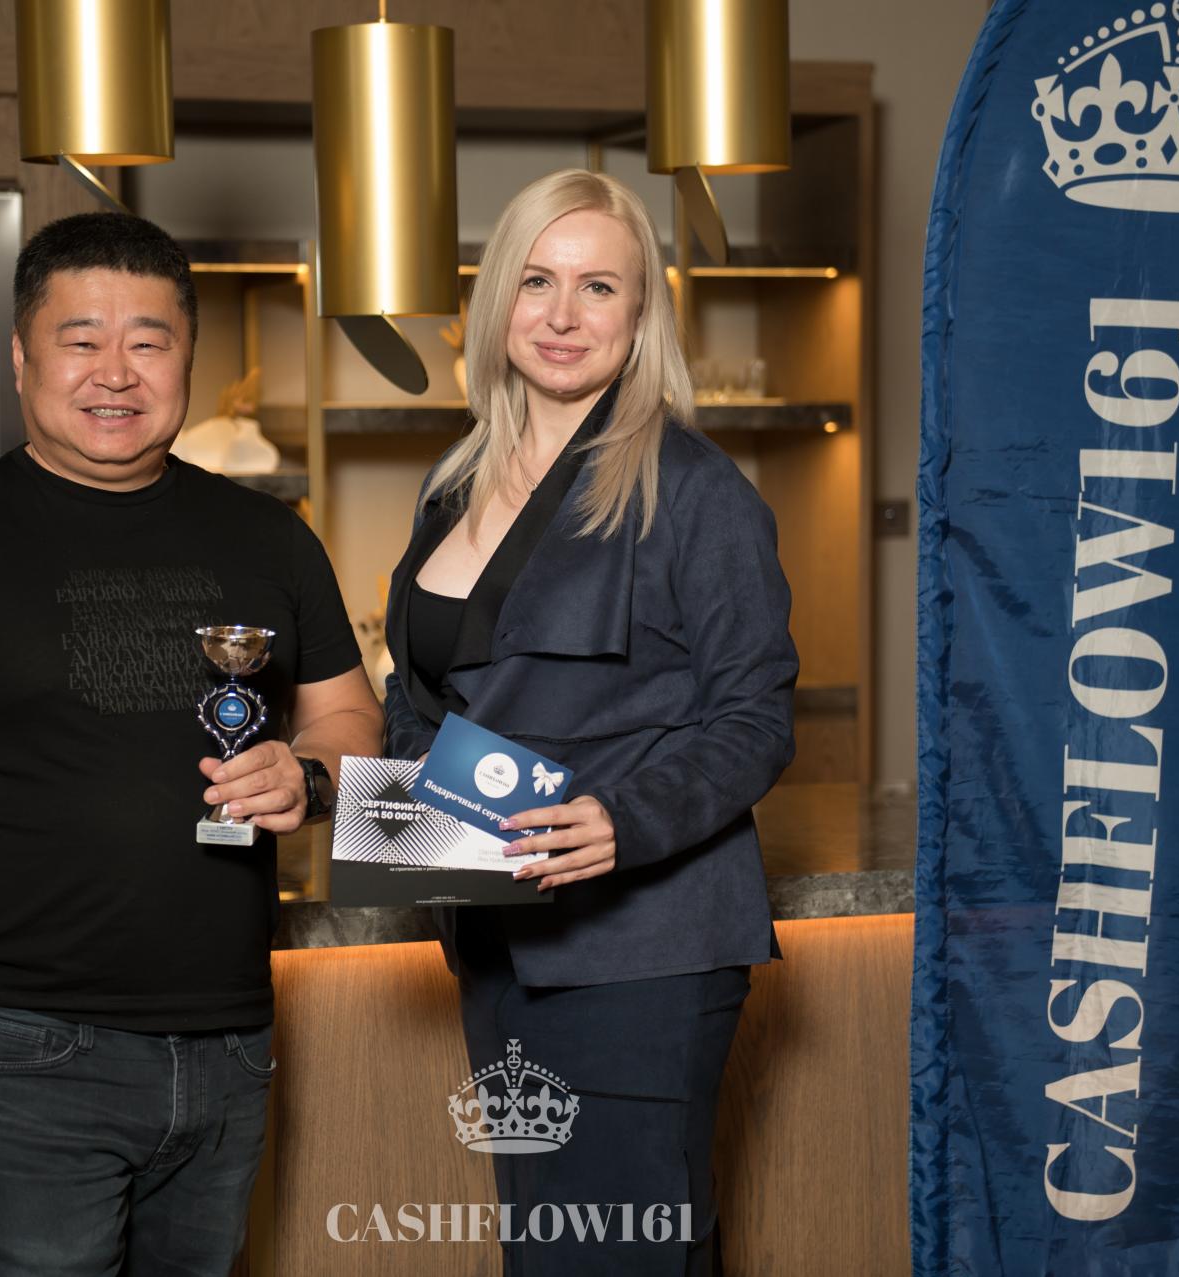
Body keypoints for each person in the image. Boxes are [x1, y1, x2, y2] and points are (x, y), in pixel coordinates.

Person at [0, 211, 381, 1276]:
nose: (115, 372)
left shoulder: (271, 537)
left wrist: (309, 777)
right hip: (24, 1051)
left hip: (229, 1038)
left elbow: (353, 721)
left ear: (188, 358)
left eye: (149, 340)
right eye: (81, 340)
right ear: (22, 357)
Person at [383, 170, 798, 1275]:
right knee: (552, 1249)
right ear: (497, 302)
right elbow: (416, 693)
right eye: (537, 281)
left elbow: (757, 714)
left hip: (641, 952)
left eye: (598, 286)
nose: (563, 315)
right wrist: (407, 817)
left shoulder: (695, 490)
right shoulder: (453, 484)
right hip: (495, 937)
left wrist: (626, 815)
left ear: (641, 310)